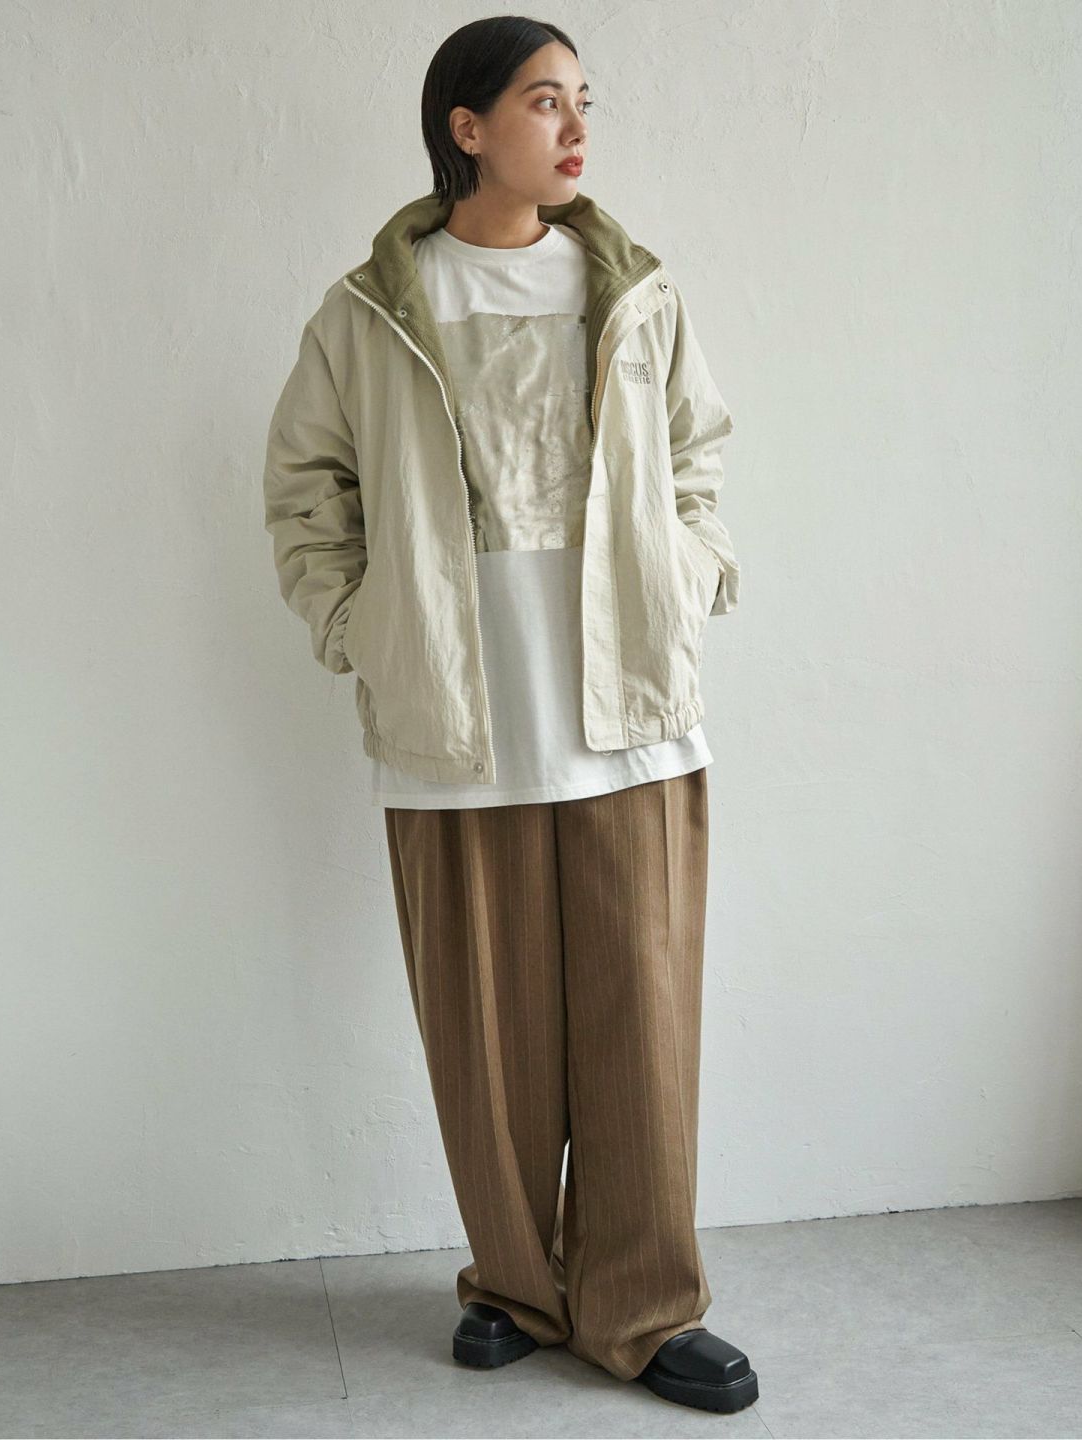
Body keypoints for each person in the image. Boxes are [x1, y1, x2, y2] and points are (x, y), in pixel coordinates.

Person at [262, 14, 754, 1416]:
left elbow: (699, 456)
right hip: (455, 717)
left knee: (641, 1022)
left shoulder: (634, 292)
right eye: (545, 101)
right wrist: (355, 626)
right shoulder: (371, 310)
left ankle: (644, 1306)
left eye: (583, 99)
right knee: (488, 1036)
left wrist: (690, 575)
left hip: (628, 704)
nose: (576, 125)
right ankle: (518, 1288)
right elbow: (306, 488)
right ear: (466, 127)